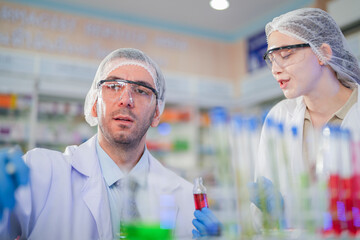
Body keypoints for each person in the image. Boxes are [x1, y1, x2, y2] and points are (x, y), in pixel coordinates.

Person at [192, 7, 360, 237]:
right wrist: (273, 215)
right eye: (271, 58)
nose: (275, 69)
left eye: (286, 55)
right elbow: (262, 221)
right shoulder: (279, 117)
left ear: (324, 53)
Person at [0, 48, 195, 239]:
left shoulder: (185, 198)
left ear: (157, 113)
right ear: (94, 104)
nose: (126, 100)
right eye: (113, 86)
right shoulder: (40, 173)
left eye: (141, 90)